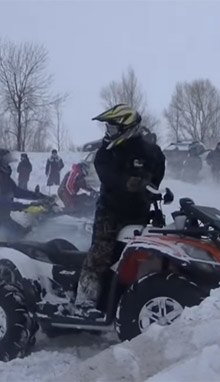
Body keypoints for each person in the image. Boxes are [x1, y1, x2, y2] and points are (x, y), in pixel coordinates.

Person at [76, 104, 165, 315]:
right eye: (108, 128)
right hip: (111, 212)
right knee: (100, 255)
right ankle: (84, 302)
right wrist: (129, 183)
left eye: (113, 128)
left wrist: (148, 184)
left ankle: (130, 296)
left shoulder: (152, 151)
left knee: (140, 256)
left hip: (140, 213)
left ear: (128, 127)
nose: (109, 133)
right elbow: (110, 178)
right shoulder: (105, 153)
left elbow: (157, 175)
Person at [0, 148, 46, 239]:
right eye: (6, 162)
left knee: (25, 235)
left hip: (1, 218)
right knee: (20, 240)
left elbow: (15, 191)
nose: (8, 165)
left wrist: (36, 196)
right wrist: (21, 206)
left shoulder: (2, 175)